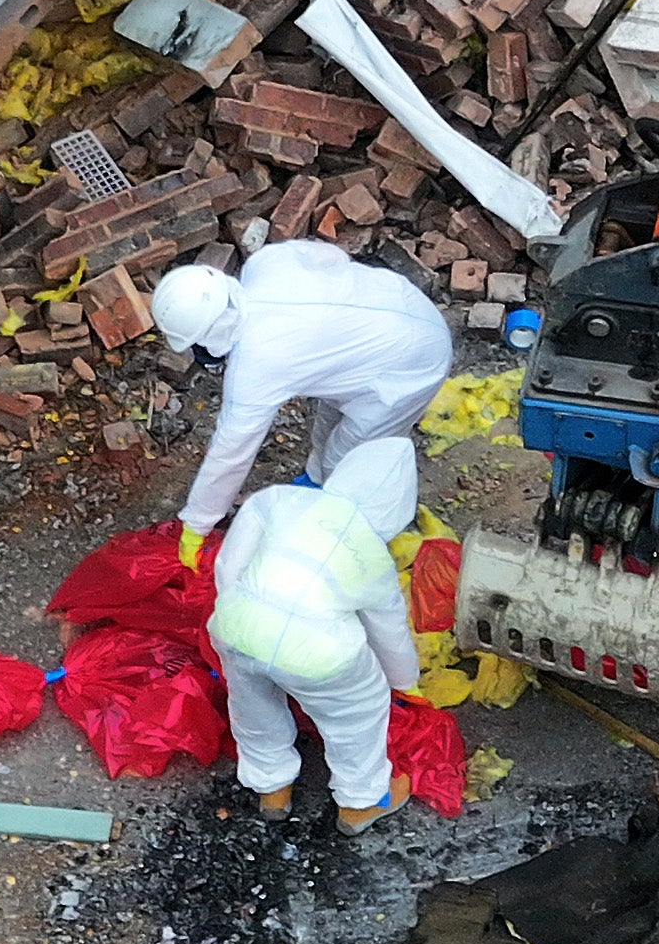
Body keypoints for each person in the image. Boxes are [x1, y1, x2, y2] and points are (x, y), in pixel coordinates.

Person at [157, 243, 454, 559]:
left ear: (209, 331)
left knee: (347, 455)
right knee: (327, 422)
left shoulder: (258, 362)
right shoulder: (264, 264)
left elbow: (231, 453)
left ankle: (345, 538)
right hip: (403, 307)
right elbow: (333, 257)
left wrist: (197, 525)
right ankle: (313, 482)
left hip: (411, 366)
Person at [208, 435, 425, 829]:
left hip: (237, 627)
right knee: (358, 712)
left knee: (252, 706)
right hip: (318, 657)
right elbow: (387, 629)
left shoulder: (278, 501)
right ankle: (360, 802)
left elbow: (228, 565)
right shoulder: (374, 559)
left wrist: (244, 611)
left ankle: (272, 786)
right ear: (396, 508)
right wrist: (403, 681)